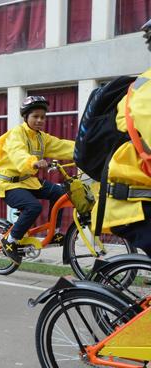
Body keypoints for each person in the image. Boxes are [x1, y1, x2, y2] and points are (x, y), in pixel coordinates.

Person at [0, 96, 74, 265]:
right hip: (9, 184)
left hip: (28, 181)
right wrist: (32, 162)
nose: (40, 120)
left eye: (43, 117)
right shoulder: (16, 134)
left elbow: (63, 146)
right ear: (26, 117)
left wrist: (86, 149)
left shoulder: (42, 138)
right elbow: (17, 152)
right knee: (33, 206)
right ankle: (10, 241)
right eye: (35, 116)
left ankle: (54, 233)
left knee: (61, 194)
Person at [96, 19, 151, 257]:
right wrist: (31, 163)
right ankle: (14, 239)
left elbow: (58, 146)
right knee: (32, 207)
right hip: (132, 206)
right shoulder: (147, 90)